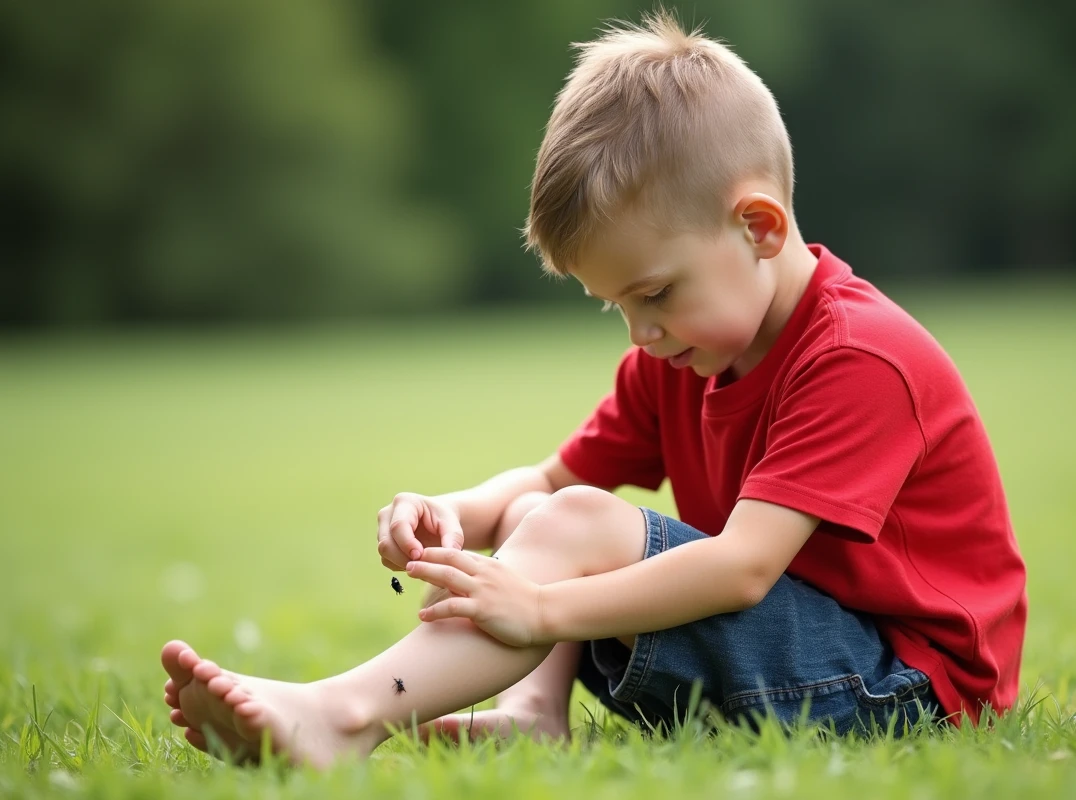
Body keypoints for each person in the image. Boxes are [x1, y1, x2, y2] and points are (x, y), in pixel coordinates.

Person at [161, 11, 1026, 767]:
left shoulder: (856, 357)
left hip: (908, 687)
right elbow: (547, 484)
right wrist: (452, 511)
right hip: (807, 655)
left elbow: (743, 568)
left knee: (575, 524)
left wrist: (540, 608)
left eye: (656, 294)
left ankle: (344, 716)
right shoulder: (678, 357)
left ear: (758, 227)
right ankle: (531, 713)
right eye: (617, 306)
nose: (640, 333)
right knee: (546, 509)